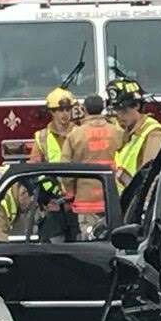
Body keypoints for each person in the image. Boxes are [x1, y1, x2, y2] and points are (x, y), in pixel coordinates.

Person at [60, 94, 125, 239]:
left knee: (89, 243)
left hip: (85, 200)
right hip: (114, 198)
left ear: (84, 110)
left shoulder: (75, 135)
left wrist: (70, 193)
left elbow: (66, 169)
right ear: (102, 108)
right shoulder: (118, 132)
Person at [107, 78, 161, 191]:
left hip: (139, 204)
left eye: (124, 110)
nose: (119, 116)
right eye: (116, 110)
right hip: (125, 202)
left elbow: (151, 179)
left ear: (137, 106)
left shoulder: (153, 134)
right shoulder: (128, 133)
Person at [30, 87, 75, 164]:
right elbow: (34, 164)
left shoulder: (78, 133)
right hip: (51, 176)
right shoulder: (41, 137)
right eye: (60, 110)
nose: (65, 113)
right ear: (52, 112)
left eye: (68, 109)